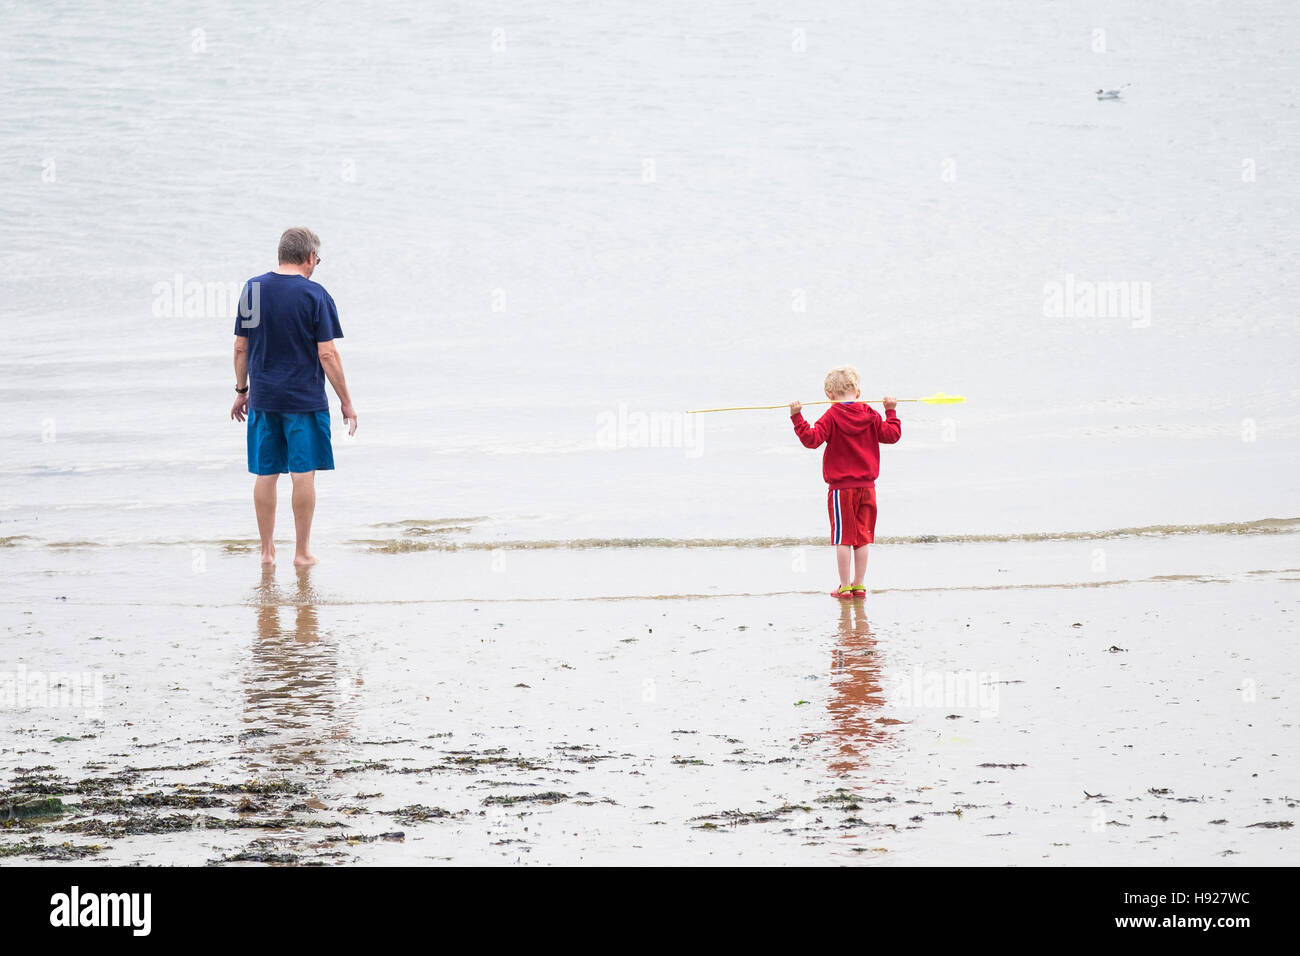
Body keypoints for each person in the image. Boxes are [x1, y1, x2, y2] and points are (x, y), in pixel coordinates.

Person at [230, 227, 357, 567]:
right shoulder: (315, 295)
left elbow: (241, 346)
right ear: (309, 258)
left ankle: (267, 553)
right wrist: (346, 401)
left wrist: (242, 391)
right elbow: (327, 354)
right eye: (318, 259)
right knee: (303, 474)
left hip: (264, 399)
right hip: (304, 400)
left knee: (266, 473)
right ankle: (301, 553)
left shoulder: (253, 290)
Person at [789, 366, 900, 600]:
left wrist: (797, 416)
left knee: (843, 537)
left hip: (841, 489)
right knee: (862, 536)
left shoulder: (832, 415)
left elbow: (811, 439)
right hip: (868, 488)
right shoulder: (870, 413)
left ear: (829, 395)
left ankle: (845, 586)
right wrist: (890, 411)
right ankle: (859, 585)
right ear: (858, 392)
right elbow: (892, 435)